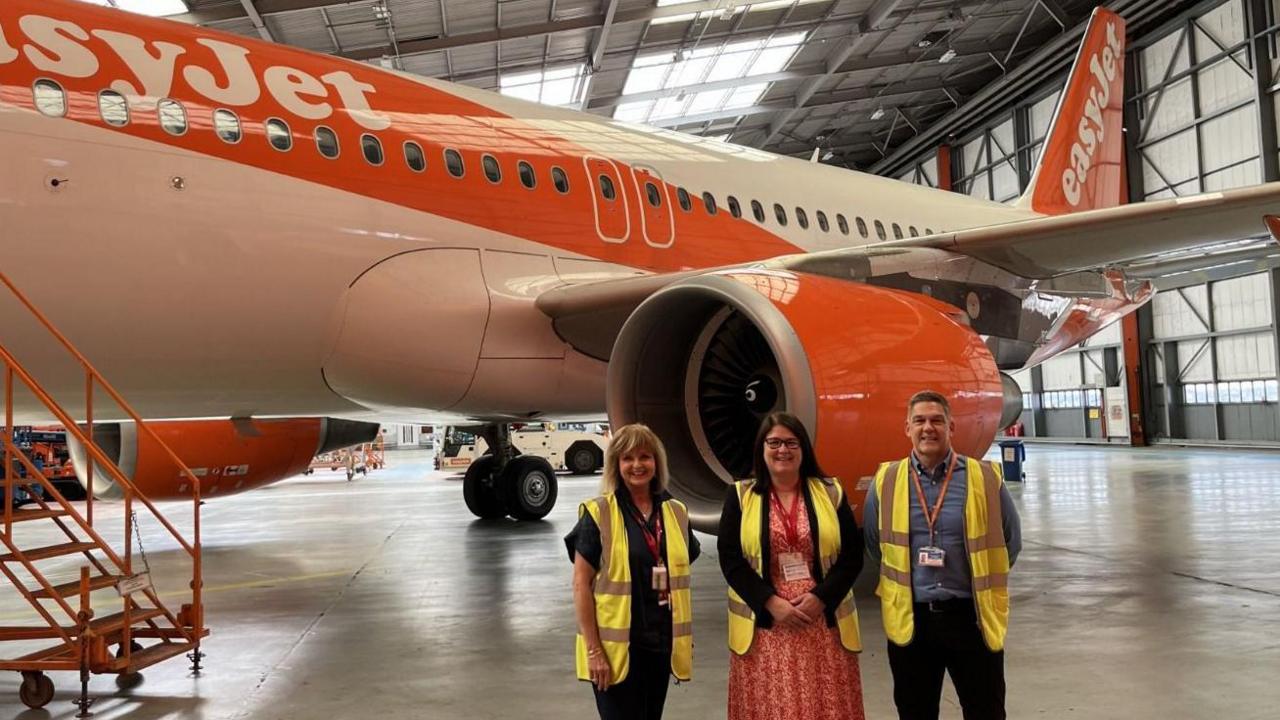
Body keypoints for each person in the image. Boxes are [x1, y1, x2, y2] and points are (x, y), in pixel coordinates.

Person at [863, 390, 1023, 720]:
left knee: (986, 711)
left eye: (937, 420)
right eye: (919, 420)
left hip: (972, 616)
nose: (928, 428)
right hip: (912, 618)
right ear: (907, 428)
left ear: (951, 428)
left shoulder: (985, 478)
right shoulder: (886, 481)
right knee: (915, 711)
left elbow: (1010, 542)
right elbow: (875, 544)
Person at [718, 412, 865, 720]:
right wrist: (770, 602)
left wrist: (820, 598)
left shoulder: (830, 491)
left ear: (803, 449)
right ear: (762, 448)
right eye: (774, 443)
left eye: (790, 443)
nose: (782, 450)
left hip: (822, 625)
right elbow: (730, 559)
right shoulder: (741, 496)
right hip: (768, 628)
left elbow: (852, 555)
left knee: (825, 708)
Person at [565, 423, 700, 720]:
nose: (637, 465)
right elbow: (580, 586)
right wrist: (593, 651)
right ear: (616, 465)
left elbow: (684, 560)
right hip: (616, 651)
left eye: (644, 457)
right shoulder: (598, 513)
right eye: (627, 458)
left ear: (656, 462)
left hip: (661, 645)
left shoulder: (676, 512)